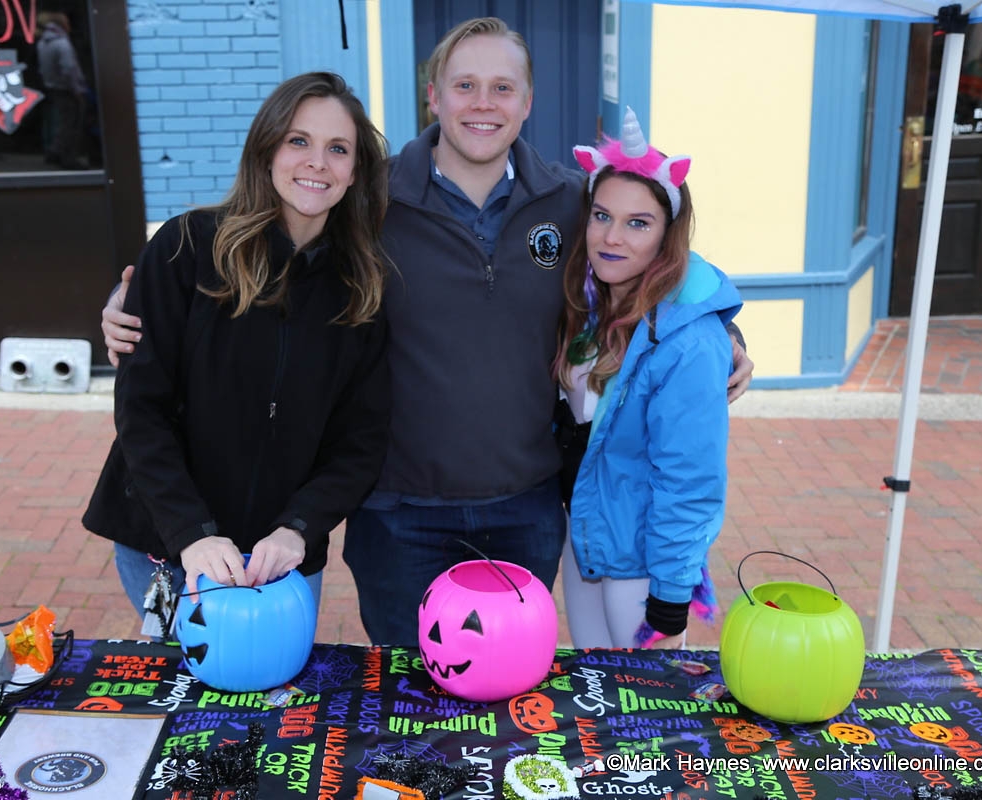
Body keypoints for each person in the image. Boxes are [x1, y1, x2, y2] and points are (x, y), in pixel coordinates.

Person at [102, 18, 754, 646]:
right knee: (404, 701)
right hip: (398, 516)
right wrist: (128, 303)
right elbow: (269, 251)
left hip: (525, 507)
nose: (483, 103)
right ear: (433, 96)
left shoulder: (571, 200)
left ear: (528, 102)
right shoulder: (369, 201)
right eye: (464, 84)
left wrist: (722, 333)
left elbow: (655, 252)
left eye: (502, 87)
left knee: (502, 688)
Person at [82, 72, 391, 627]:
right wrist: (191, 534)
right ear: (266, 148)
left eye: (338, 149)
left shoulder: (362, 287)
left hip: (282, 560)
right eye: (299, 140)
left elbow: (361, 440)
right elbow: (141, 410)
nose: (317, 162)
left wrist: (299, 528)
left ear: (355, 170)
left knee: (277, 680)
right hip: (170, 546)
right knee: (187, 680)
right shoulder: (185, 247)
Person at [557, 110, 738, 650]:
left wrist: (671, 594)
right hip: (584, 544)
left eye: (638, 223)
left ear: (666, 234)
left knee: (644, 700)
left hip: (640, 568)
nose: (612, 237)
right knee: (595, 687)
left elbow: (690, 479)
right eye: (601, 216)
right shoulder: (584, 302)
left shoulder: (689, 342)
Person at [36, 12, 87, 169]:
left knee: (62, 122)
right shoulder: (62, 43)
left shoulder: (43, 42)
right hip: (67, 89)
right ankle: (68, 157)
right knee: (71, 124)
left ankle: (55, 151)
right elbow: (69, 68)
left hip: (53, 87)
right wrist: (77, 89)